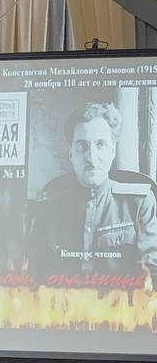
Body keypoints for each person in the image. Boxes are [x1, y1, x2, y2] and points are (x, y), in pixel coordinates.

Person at [28, 101, 157, 287]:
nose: (91, 157)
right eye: (82, 146)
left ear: (113, 150)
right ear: (70, 153)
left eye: (100, 145)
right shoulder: (48, 206)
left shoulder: (139, 204)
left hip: (123, 303)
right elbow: (37, 278)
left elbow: (153, 277)